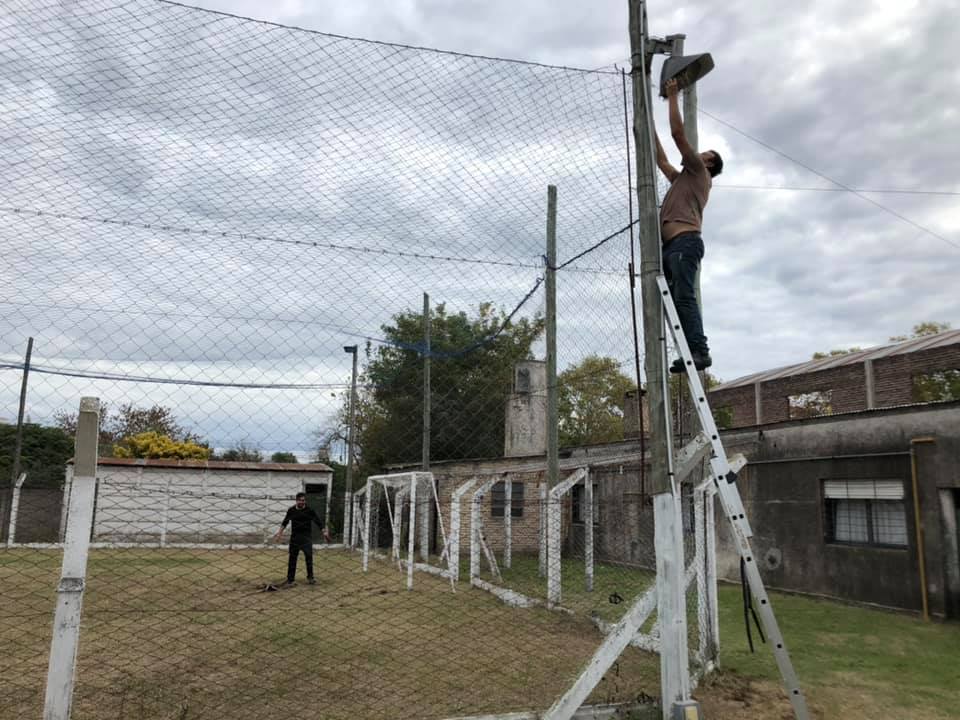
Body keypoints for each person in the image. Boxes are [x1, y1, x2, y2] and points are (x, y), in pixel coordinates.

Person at [654, 76, 724, 373]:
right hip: (672, 247)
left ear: (707, 163)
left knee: (685, 298)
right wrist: (645, 128)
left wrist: (672, 96)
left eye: (704, 153)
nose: (698, 153)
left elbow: (678, 135)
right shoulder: (682, 178)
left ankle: (700, 352)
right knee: (678, 301)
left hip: (684, 243)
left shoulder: (698, 172)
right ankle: (689, 351)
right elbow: (661, 160)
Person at [273, 491, 331, 585]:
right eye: (300, 500)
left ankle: (310, 578)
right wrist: (279, 533)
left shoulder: (309, 510)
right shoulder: (291, 510)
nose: (302, 502)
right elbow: (285, 522)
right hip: (295, 538)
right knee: (292, 558)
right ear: (296, 501)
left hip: (306, 538)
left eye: (304, 500)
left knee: (309, 557)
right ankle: (290, 579)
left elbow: (318, 521)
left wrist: (324, 532)